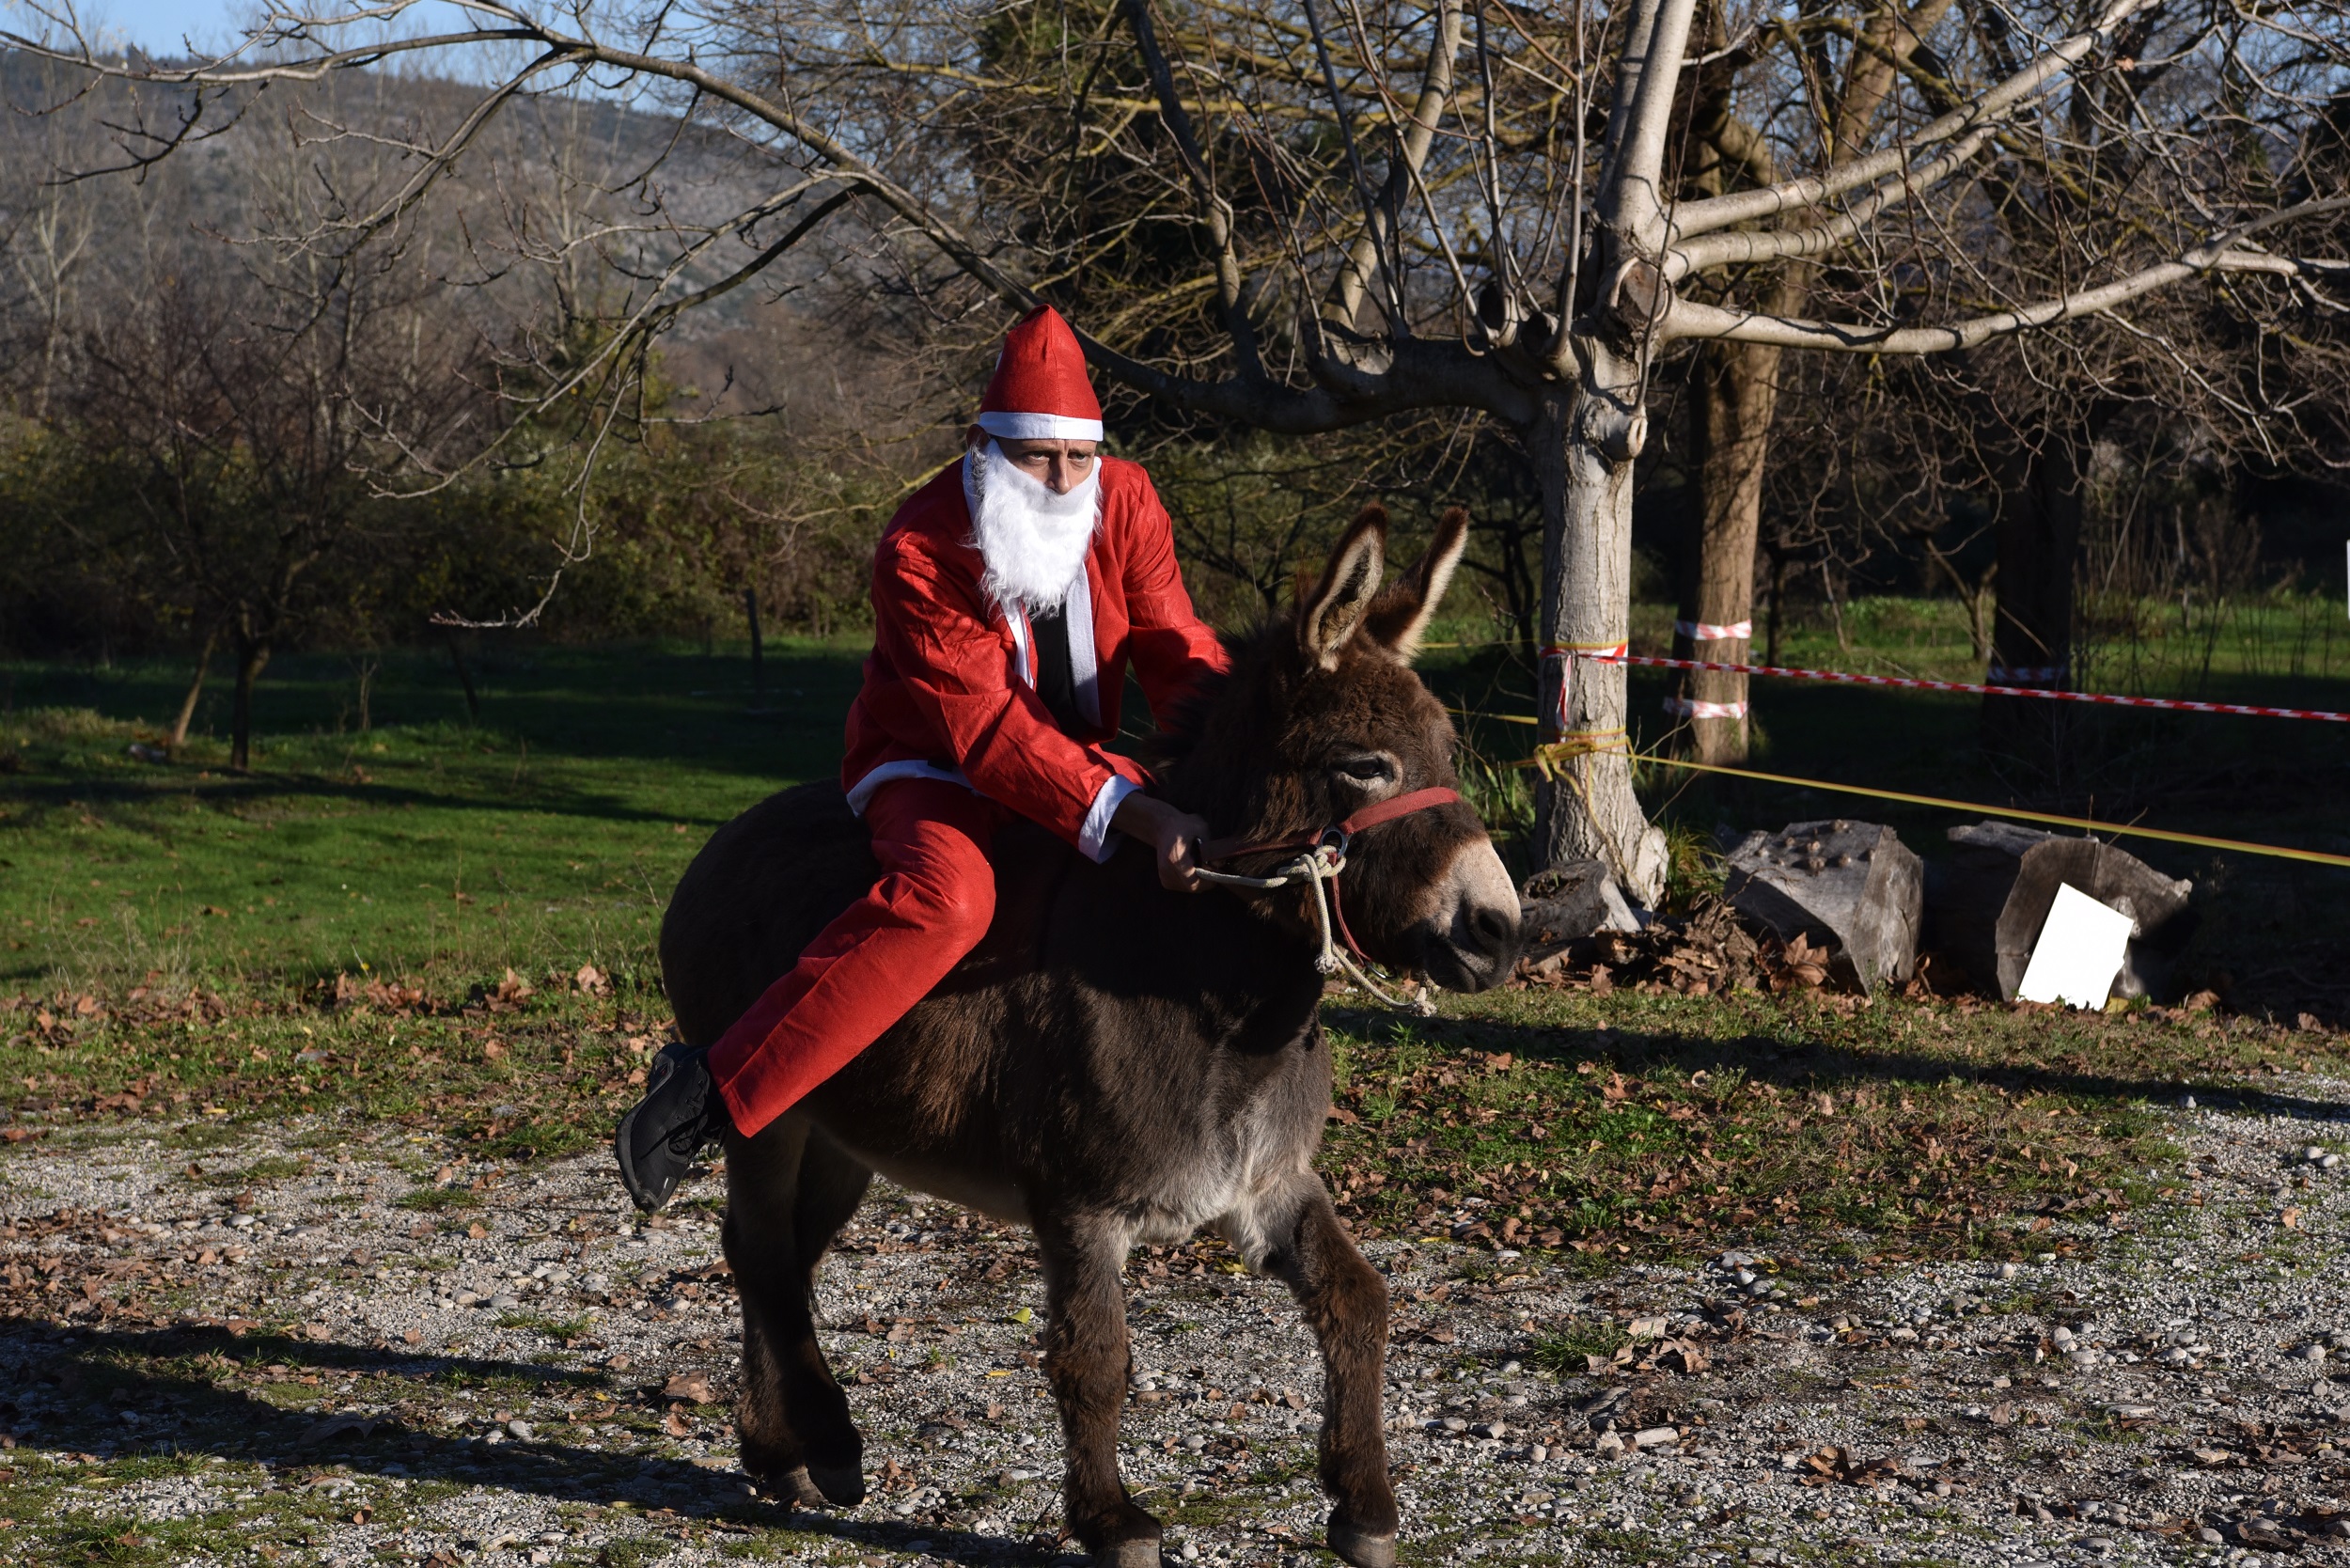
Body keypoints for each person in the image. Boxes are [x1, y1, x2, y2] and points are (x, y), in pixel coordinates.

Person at [615, 306, 1230, 1212]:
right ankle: (715, 1089)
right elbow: (988, 734)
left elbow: (1178, 645)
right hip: (930, 761)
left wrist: (1243, 743)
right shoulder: (918, 546)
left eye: (1079, 456)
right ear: (984, 445)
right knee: (951, 901)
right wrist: (1138, 811)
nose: (1062, 480)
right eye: (1035, 456)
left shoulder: (1127, 499)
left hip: (1079, 760)